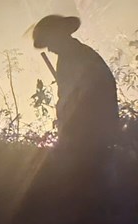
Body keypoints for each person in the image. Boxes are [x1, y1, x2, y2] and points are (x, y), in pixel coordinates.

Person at [32, 15, 119, 165]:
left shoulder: (76, 57)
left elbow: (81, 98)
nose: (49, 49)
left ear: (59, 35)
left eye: (49, 42)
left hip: (89, 136)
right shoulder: (75, 55)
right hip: (92, 135)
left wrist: (70, 132)